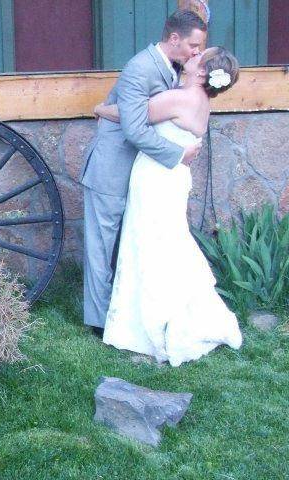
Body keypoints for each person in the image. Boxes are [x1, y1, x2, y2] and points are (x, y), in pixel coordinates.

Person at [93, 46, 243, 366]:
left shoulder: (182, 98)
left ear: (202, 72)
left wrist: (101, 108)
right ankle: (166, 316)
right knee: (167, 243)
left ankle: (152, 325)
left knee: (150, 245)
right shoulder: (199, 101)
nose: (192, 55)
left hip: (157, 179)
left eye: (198, 56)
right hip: (172, 178)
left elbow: (131, 114)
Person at [80, 10, 207, 336]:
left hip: (140, 173)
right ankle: (98, 320)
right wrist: (178, 154)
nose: (197, 52)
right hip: (112, 168)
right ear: (174, 38)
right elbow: (135, 129)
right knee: (101, 246)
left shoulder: (173, 70)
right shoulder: (141, 67)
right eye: (193, 45)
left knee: (131, 243)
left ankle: (125, 312)